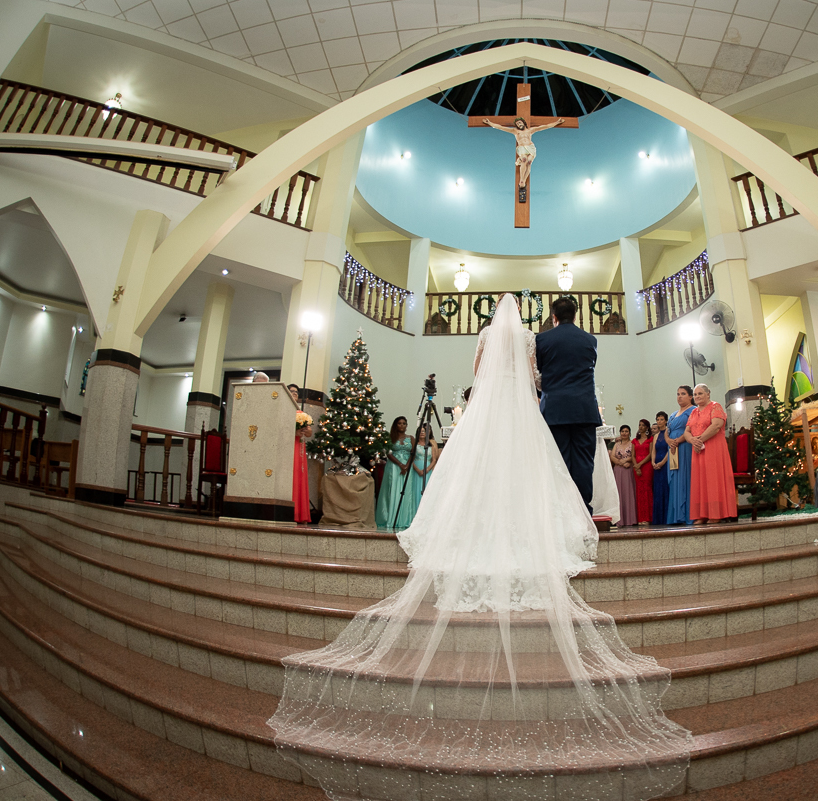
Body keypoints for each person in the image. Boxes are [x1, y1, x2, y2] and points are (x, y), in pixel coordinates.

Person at [269, 295, 691, 800]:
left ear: (492, 320)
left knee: (478, 470)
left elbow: (479, 369)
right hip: (523, 408)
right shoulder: (532, 340)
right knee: (533, 467)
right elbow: (535, 376)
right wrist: (529, 383)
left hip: (488, 403)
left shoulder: (488, 338)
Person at [536, 296, 602, 513]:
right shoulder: (590, 340)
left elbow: (540, 372)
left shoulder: (542, 340)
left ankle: (562, 512)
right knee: (584, 462)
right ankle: (583, 510)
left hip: (555, 410)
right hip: (584, 409)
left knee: (558, 461)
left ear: (554, 317)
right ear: (575, 316)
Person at [685, 383, 737, 523]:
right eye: (695, 394)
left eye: (700, 393)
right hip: (698, 450)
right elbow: (686, 432)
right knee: (700, 481)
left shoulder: (715, 406)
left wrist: (699, 440)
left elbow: (716, 426)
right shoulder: (694, 412)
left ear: (708, 394)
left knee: (713, 479)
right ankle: (702, 514)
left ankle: (716, 514)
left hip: (713, 448)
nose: (697, 396)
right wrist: (693, 441)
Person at [482, 116, 565, 197]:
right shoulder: (515, 131)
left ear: (523, 123)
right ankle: (522, 180)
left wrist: (557, 122)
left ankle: (523, 181)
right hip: (521, 147)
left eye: (520, 122)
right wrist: (489, 123)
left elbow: (544, 127)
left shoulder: (530, 130)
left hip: (530, 147)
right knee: (524, 160)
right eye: (517, 124)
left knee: (529, 162)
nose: (519, 124)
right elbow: (501, 127)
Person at [374, 416, 415, 529]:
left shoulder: (411, 438)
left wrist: (406, 465)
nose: (402, 425)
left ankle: (404, 519)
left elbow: (413, 453)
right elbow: (388, 453)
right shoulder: (390, 437)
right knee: (392, 491)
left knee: (406, 491)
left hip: (407, 467)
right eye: (399, 423)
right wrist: (400, 465)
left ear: (407, 425)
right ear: (395, 425)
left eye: (404, 423)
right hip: (393, 467)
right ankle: (390, 518)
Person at [665, 386, 695, 525]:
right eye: (678, 394)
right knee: (674, 479)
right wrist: (670, 441)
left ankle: (687, 514)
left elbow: (692, 429)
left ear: (690, 397)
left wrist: (677, 441)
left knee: (685, 478)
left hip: (685, 447)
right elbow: (667, 431)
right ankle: (675, 516)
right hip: (673, 449)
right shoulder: (673, 414)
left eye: (683, 394)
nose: (679, 396)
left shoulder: (693, 411)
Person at [289, 383, 313, 525]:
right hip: (289, 448)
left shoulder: (301, 413)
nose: (294, 394)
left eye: (297, 392)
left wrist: (303, 431)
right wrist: (294, 432)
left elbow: (309, 432)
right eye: (291, 391)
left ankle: (301, 513)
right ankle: (290, 512)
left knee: (300, 476)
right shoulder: (283, 410)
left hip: (300, 449)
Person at [610, 424, 637, 528]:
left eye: (626, 431)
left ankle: (630, 519)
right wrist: (620, 462)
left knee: (628, 493)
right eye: (622, 431)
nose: (624, 433)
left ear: (629, 433)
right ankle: (620, 520)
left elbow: (633, 455)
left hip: (628, 470)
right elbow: (612, 456)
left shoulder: (632, 443)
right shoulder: (616, 444)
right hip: (618, 470)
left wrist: (627, 461)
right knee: (619, 493)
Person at [632, 418, 654, 525]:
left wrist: (640, 465)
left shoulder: (650, 439)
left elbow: (650, 454)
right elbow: (632, 455)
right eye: (639, 425)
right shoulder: (634, 441)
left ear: (647, 427)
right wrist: (636, 466)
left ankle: (648, 518)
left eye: (643, 425)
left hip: (646, 466)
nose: (640, 427)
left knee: (647, 491)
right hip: (636, 467)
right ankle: (640, 518)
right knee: (639, 492)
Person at [651, 412, 671, 525]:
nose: (659, 421)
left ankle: (666, 517)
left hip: (665, 464)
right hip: (657, 466)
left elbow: (669, 449)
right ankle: (658, 518)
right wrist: (653, 462)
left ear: (666, 421)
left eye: (661, 419)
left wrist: (662, 462)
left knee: (665, 489)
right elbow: (654, 450)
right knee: (658, 491)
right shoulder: (656, 436)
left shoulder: (669, 433)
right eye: (657, 419)